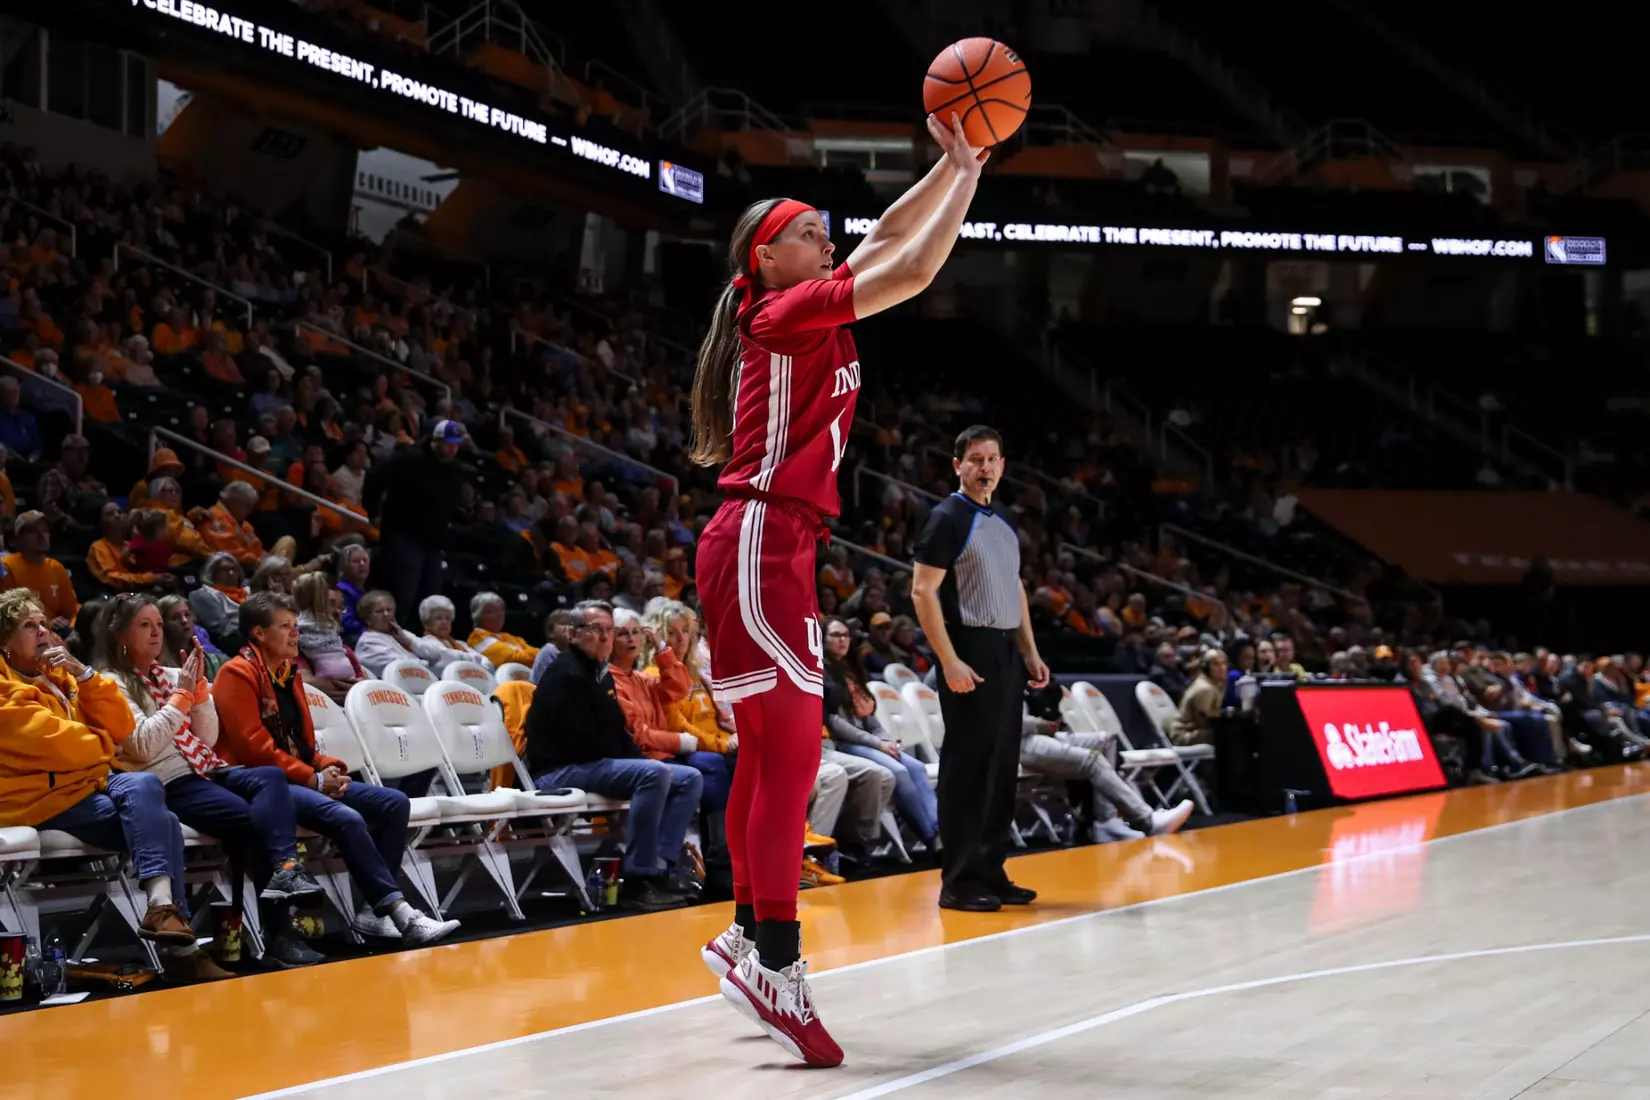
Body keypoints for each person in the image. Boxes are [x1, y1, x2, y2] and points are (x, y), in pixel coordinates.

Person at [692, 111, 987, 1066]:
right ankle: (777, 954)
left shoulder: (797, 295)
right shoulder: (779, 312)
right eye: (810, 233)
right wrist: (966, 175)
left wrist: (960, 163)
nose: (830, 240)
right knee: (790, 756)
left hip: (774, 543)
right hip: (759, 539)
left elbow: (889, 238)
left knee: (774, 754)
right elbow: (912, 268)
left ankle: (749, 934)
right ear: (767, 259)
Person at [0, 588, 229, 982]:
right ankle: (182, 951)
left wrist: (86, 676)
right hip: (39, 800)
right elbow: (67, 747)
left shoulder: (61, 675)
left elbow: (122, 725)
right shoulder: (5, 691)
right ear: (4, 643)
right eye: (27, 626)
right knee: (159, 815)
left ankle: (163, 912)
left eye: (43, 623)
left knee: (150, 798)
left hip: (89, 787)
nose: (41, 632)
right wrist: (105, 745)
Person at [211, 592, 461, 945]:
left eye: (295, 626)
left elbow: (305, 746)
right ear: (258, 634)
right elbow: (255, 750)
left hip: (299, 777)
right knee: (347, 818)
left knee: (393, 803)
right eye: (285, 627)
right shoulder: (235, 673)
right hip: (262, 785)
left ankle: (372, 916)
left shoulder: (288, 674)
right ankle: (400, 913)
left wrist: (331, 769)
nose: (295, 634)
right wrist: (314, 779)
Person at [92, 593, 326, 967]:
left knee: (269, 778)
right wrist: (184, 695)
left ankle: (286, 870)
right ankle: (279, 934)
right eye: (144, 625)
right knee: (256, 822)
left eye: (157, 625)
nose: (156, 633)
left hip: (206, 770)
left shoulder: (171, 675)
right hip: (166, 783)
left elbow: (208, 737)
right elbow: (142, 746)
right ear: (119, 634)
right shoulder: (110, 684)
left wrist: (199, 692)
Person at [912, 425, 1050, 914]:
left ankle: (991, 868)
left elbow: (1014, 588)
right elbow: (923, 592)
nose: (985, 467)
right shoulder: (947, 517)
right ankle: (958, 880)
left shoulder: (1004, 520)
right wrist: (948, 660)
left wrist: (1029, 650)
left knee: (1000, 767)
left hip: (1004, 651)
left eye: (993, 458)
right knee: (968, 769)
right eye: (975, 459)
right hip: (967, 647)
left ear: (1003, 465)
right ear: (957, 466)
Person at [523, 600, 701, 912]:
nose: (604, 637)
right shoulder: (566, 673)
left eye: (608, 630)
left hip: (590, 763)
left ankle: (662, 866)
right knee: (655, 774)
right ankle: (638, 877)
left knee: (688, 777)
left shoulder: (599, 673)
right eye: (596, 630)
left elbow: (617, 733)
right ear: (573, 634)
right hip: (558, 769)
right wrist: (637, 764)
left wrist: (639, 759)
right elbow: (581, 742)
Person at [820, 616, 936, 851]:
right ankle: (932, 838)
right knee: (900, 771)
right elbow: (834, 723)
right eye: (835, 635)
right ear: (822, 639)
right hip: (845, 742)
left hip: (869, 741)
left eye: (846, 635)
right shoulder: (821, 672)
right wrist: (878, 743)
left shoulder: (852, 671)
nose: (843, 640)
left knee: (916, 767)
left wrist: (885, 739)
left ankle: (939, 828)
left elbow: (870, 718)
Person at [362, 418, 467, 627]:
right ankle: (386, 641)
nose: (453, 449)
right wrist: (373, 512)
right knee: (403, 596)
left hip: (434, 542)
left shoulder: (453, 467)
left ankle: (419, 647)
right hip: (404, 536)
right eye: (449, 443)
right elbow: (374, 476)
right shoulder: (409, 458)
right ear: (436, 441)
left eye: (456, 444)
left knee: (429, 602)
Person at [291, 572, 366, 704]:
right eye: (330, 604)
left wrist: (355, 690)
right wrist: (353, 689)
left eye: (341, 606)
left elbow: (365, 684)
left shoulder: (343, 649)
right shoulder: (295, 645)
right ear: (314, 605)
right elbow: (305, 684)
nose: (338, 612)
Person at [2, 511, 79, 631]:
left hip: (56, 634)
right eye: (32, 531)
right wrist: (47, 624)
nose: (41, 535)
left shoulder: (57, 568)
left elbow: (71, 612)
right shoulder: (6, 567)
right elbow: (9, 614)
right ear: (17, 540)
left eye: (45, 530)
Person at [353, 589, 451, 677]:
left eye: (389, 610)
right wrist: (430, 663)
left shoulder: (401, 634)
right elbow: (400, 667)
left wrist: (408, 641)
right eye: (379, 611)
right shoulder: (368, 642)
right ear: (368, 620)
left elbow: (436, 654)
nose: (386, 614)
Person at [417, 594, 494, 672]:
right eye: (438, 618)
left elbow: (488, 664)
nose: (444, 622)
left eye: (448, 618)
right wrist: (473, 660)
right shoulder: (425, 644)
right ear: (426, 623)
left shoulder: (461, 644)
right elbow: (446, 658)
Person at [190, 552, 248, 653]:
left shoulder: (248, 592)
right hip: (229, 642)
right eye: (224, 570)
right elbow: (224, 628)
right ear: (211, 572)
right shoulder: (204, 594)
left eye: (234, 569)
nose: (230, 573)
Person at [466, 591, 537, 668]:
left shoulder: (507, 636)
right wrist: (533, 655)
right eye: (492, 611)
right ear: (477, 615)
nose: (500, 614)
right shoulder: (478, 638)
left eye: (501, 609)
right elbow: (514, 659)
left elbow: (537, 654)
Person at [334, 542, 371, 646]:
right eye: (356, 561)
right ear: (344, 566)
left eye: (365, 560)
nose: (362, 564)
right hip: (347, 638)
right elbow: (346, 623)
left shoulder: (367, 591)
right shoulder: (341, 590)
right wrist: (371, 632)